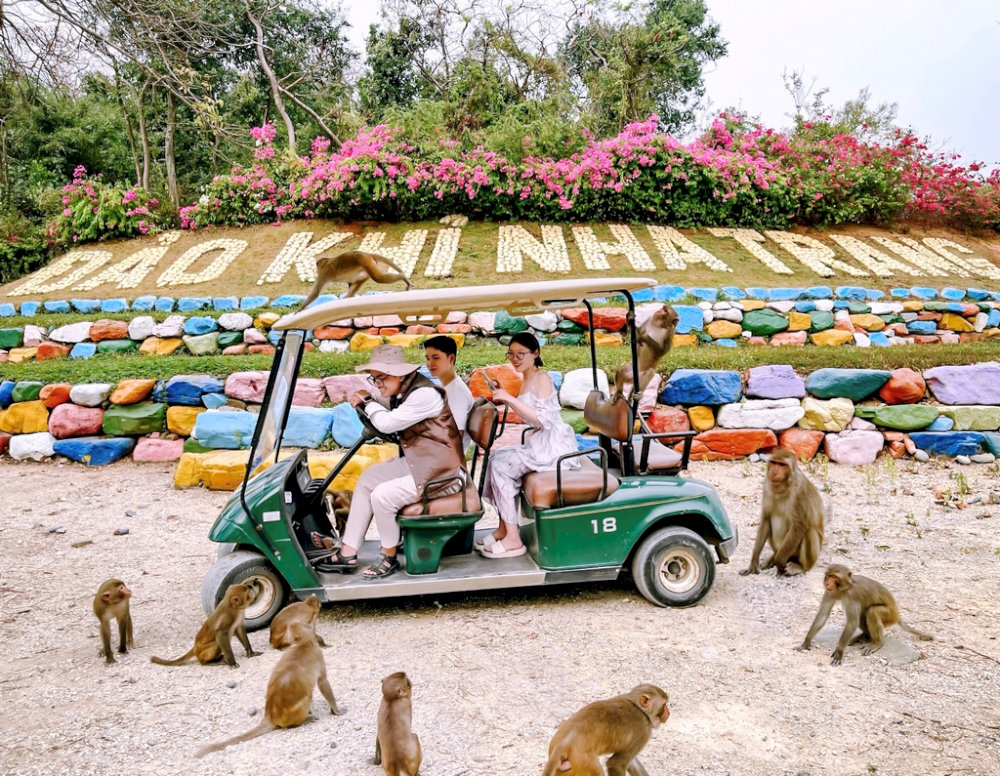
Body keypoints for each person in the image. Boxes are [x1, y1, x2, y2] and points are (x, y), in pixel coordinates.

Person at [314, 344, 467, 580]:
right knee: (367, 479)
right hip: (423, 464)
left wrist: (368, 402)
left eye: (381, 378)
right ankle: (348, 550)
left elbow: (387, 423)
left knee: (382, 495)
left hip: (443, 474)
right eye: (374, 379)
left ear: (400, 375)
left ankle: (389, 555)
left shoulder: (424, 395)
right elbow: (381, 402)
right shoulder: (404, 391)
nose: (378, 385)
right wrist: (368, 399)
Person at [479, 332, 579, 559]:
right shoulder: (526, 377)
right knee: (496, 457)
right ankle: (505, 527)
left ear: (536, 353)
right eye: (511, 354)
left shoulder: (541, 377)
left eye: (521, 354)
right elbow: (529, 414)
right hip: (539, 443)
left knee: (501, 466)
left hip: (552, 448)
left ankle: (513, 539)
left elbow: (542, 420)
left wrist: (508, 398)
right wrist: (505, 395)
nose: (515, 359)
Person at [423, 335, 474, 449]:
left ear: (450, 359)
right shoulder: (448, 387)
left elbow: (454, 438)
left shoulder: (456, 393)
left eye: (436, 358)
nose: (430, 364)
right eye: (428, 358)